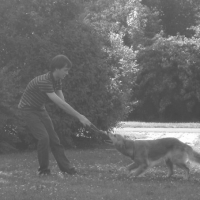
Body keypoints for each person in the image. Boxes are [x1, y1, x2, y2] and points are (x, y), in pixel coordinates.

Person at [18, 55, 92, 175]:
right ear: (56, 69)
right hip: (28, 110)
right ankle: (44, 171)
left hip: (40, 109)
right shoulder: (44, 81)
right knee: (43, 138)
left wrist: (77, 115)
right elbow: (60, 103)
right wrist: (80, 116)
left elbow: (62, 102)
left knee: (54, 139)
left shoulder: (57, 81)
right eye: (65, 70)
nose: (67, 73)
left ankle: (67, 169)